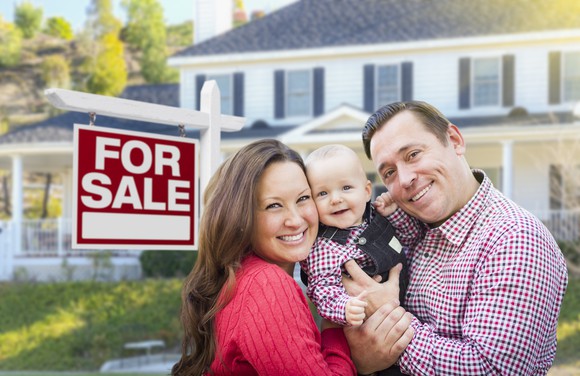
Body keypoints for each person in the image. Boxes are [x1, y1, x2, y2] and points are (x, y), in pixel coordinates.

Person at [342, 100, 569, 375]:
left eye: (413, 154)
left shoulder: (514, 238)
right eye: (389, 172)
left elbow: (491, 370)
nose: (404, 179)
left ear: (454, 140)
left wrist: (387, 321)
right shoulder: (410, 229)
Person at [172, 139, 358, 375]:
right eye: (273, 206)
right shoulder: (266, 284)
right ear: (241, 217)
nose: (296, 220)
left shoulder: (242, 276)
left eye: (302, 198)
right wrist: (336, 330)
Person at [300, 144, 408, 327]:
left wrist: (393, 214)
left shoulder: (376, 216)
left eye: (346, 187)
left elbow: (409, 238)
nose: (335, 199)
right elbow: (322, 290)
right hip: (369, 323)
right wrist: (344, 307)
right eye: (323, 193)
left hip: (410, 308)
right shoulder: (324, 247)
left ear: (366, 192)